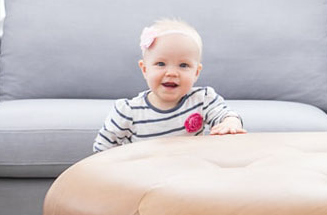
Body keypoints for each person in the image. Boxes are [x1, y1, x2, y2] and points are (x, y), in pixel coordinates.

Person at [93, 17, 246, 152]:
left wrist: (230, 122)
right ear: (145, 69)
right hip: (144, 177)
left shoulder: (202, 99)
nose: (172, 73)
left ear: (196, 73)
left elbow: (224, 113)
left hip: (188, 173)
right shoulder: (128, 112)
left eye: (184, 65)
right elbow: (102, 150)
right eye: (161, 64)